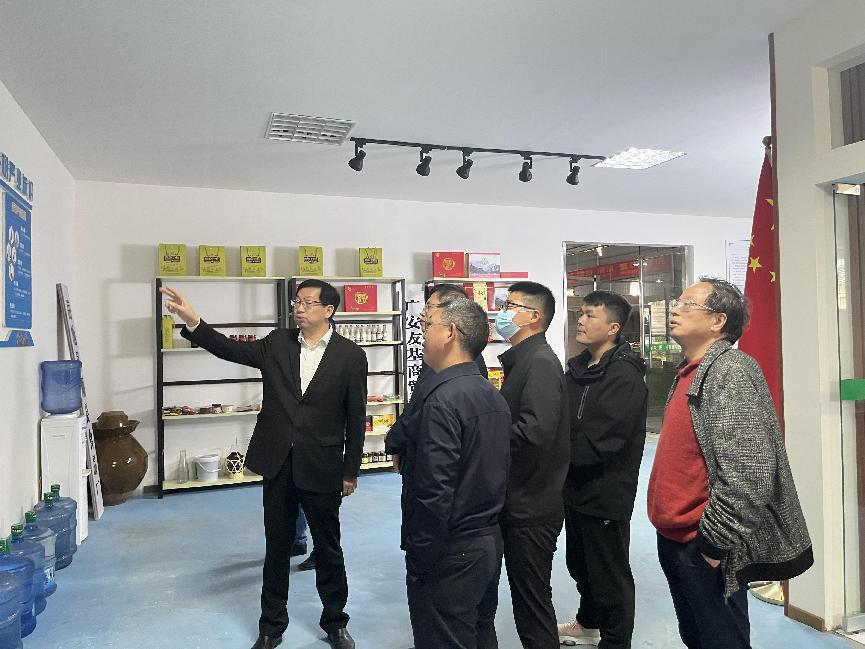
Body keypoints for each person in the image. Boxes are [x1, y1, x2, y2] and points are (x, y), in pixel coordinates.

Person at [161, 279, 367, 649]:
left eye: (308, 303)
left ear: (329, 310)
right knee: (277, 548)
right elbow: (229, 349)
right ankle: (271, 627)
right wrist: (194, 321)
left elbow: (356, 415)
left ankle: (335, 623)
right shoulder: (277, 343)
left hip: (322, 464)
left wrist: (350, 470)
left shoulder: (351, 356)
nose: (299, 308)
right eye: (296, 301)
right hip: (279, 463)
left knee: (329, 548)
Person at [647, 278, 813, 649]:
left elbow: (750, 471)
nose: (675, 309)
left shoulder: (730, 371)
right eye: (676, 302)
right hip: (675, 536)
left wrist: (714, 545)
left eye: (687, 304)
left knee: (722, 641)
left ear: (717, 321)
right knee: (696, 637)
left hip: (702, 542)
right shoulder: (690, 371)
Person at [401, 297, 511, 649]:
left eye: (428, 326)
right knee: (479, 632)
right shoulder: (490, 394)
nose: (423, 334)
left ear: (450, 332)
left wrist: (421, 556)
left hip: (450, 547)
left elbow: (434, 490)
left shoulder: (442, 400)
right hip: (486, 541)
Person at [479, 281, 570, 649]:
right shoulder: (524, 360)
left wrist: (485, 434)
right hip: (519, 498)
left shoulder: (540, 363)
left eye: (510, 306)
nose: (502, 313)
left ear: (533, 316)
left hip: (532, 504)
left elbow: (535, 431)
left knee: (532, 602)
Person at [557, 291, 647, 648]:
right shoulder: (579, 368)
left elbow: (605, 439)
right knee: (580, 564)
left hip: (606, 489)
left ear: (613, 328)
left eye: (590, 315)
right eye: (581, 313)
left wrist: (556, 456)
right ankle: (589, 623)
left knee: (609, 574)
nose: (581, 321)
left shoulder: (624, 374)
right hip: (574, 487)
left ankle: (615, 641)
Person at [385, 283, 487, 471]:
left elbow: (424, 412)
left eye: (429, 307)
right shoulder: (437, 356)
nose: (423, 314)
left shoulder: (454, 361)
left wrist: (395, 439)